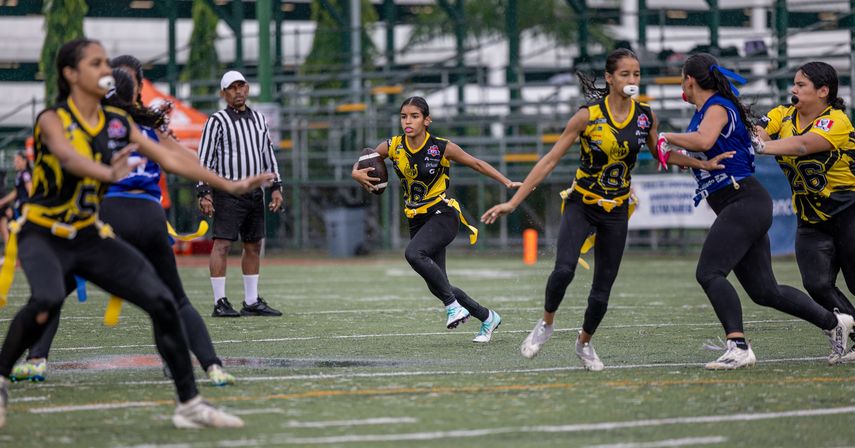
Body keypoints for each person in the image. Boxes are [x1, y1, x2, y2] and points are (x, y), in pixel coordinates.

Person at [0, 38, 273, 429]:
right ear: (71, 74)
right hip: (43, 233)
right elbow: (66, 155)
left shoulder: (118, 122)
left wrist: (228, 185)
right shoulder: (51, 118)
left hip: (88, 233)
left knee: (164, 301)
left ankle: (189, 404)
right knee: (45, 298)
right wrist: (106, 173)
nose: (105, 70)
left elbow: (171, 158)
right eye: (96, 63)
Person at [481, 49, 731, 370]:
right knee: (564, 269)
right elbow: (550, 160)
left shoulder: (645, 116)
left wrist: (702, 163)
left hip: (617, 210)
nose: (632, 80)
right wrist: (513, 202)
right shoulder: (587, 115)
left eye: (637, 74)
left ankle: (584, 343)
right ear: (610, 78)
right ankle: (545, 324)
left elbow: (661, 154)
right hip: (582, 203)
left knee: (602, 289)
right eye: (625, 74)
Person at [8, 60, 235, 386]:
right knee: (172, 299)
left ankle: (36, 359)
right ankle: (211, 365)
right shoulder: (152, 126)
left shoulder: (92, 123)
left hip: (107, 216)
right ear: (137, 90)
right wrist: (225, 184)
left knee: (53, 291)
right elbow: (186, 163)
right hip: (150, 217)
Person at [655, 53, 854, 370]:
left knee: (709, 272)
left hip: (817, 207)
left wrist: (665, 136)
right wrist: (660, 144)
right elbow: (746, 135)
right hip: (781, 210)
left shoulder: (717, 107)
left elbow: (708, 139)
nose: (794, 88)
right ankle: (835, 323)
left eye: (801, 84)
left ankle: (737, 345)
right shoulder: (772, 114)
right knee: (768, 290)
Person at [352, 96, 518, 342]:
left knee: (413, 254)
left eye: (414, 116)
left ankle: (452, 307)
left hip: (442, 214)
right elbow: (364, 162)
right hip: (417, 218)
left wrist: (506, 182)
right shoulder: (392, 145)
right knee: (438, 285)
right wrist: (355, 173)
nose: (408, 121)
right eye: (404, 116)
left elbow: (475, 163)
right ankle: (487, 317)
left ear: (427, 120)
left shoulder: (440, 147)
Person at [754, 61, 855, 363]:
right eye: (794, 84)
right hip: (810, 216)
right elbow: (758, 128)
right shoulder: (783, 114)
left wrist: (762, 146)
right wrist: (760, 137)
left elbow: (801, 145)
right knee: (816, 284)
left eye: (801, 85)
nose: (793, 90)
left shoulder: (836, 120)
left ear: (823, 91)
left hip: (848, 210)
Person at [197, 70, 284, 318]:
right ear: (223, 93)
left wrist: (276, 187)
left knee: (254, 244)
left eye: (241, 86)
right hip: (227, 190)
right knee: (222, 244)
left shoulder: (258, 119)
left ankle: (251, 300)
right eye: (232, 88)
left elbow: (268, 156)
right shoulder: (216, 121)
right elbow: (204, 159)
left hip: (254, 193)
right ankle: (219, 301)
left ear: (247, 88)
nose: (238, 91)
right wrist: (204, 192)